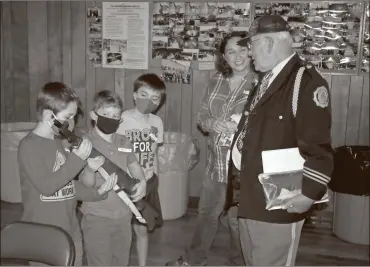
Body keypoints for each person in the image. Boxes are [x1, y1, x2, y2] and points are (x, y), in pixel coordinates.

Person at [232, 15, 334, 266]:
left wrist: (309, 194)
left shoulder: (305, 82)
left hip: (279, 202)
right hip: (250, 196)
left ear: (268, 43)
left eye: (251, 45)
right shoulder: (268, 79)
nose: (248, 53)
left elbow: (319, 148)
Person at [166, 32, 258, 266]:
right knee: (206, 214)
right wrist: (212, 123)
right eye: (230, 51)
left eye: (241, 49)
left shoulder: (261, 81)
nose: (237, 56)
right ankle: (194, 260)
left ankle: (239, 262)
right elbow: (202, 116)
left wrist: (239, 126)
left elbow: (266, 124)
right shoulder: (217, 79)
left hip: (243, 168)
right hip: (215, 164)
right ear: (223, 57)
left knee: (237, 220)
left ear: (251, 51)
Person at [17, 82, 116, 266]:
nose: (71, 122)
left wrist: (98, 193)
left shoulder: (59, 143)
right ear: (48, 115)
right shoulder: (28, 146)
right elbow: (48, 187)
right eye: (68, 116)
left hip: (71, 231)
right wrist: (77, 159)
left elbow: (68, 184)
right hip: (42, 235)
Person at [79, 90, 147, 266]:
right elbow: (86, 185)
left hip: (124, 215)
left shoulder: (124, 141)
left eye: (115, 115)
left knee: (121, 261)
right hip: (96, 216)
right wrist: (89, 169)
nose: (111, 118)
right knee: (100, 262)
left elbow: (133, 165)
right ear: (94, 115)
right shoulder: (84, 144)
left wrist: (142, 182)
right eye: (106, 114)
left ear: (121, 119)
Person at [117, 73, 165, 266]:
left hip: (147, 182)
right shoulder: (121, 120)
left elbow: (154, 152)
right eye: (144, 95)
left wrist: (156, 177)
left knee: (142, 228)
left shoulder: (157, 123)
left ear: (160, 102)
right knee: (121, 228)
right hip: (125, 182)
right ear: (135, 94)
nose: (149, 101)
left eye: (155, 98)